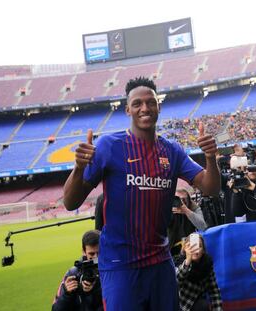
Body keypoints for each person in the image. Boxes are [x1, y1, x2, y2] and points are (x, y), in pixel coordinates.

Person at [63, 77, 220, 311]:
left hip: (160, 261)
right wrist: (79, 168)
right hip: (120, 265)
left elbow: (211, 188)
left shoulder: (172, 151)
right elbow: (70, 201)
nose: (144, 108)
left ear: (159, 106)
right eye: (137, 103)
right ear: (127, 109)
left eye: (151, 102)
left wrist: (210, 157)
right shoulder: (109, 146)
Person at [52, 230, 102, 311]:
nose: (96, 257)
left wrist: (95, 289)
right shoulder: (73, 274)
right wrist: (67, 294)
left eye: (99, 253)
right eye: (92, 254)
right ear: (83, 251)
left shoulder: (111, 273)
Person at [177, 234, 223, 311]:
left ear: (203, 250)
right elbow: (177, 282)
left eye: (199, 246)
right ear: (185, 248)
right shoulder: (180, 262)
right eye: (192, 246)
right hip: (180, 303)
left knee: (203, 306)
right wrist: (187, 262)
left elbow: (214, 291)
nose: (195, 249)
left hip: (197, 302)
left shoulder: (207, 264)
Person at [168, 188, 207, 260]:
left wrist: (187, 211)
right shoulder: (169, 207)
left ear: (189, 200)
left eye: (184, 200)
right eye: (178, 199)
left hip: (191, 244)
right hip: (172, 245)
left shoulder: (193, 207)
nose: (181, 202)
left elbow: (203, 227)